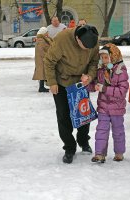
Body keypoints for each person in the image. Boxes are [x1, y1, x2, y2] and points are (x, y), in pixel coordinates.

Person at [44, 25, 99, 164]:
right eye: (84, 46)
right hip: (62, 82)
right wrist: (52, 82)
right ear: (77, 38)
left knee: (83, 114)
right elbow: (49, 61)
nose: (87, 50)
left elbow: (94, 62)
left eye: (89, 48)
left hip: (82, 82)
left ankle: (83, 141)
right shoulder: (62, 39)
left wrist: (90, 76)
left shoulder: (93, 40)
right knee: (64, 115)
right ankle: (69, 147)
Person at [87, 43, 129, 163]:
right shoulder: (101, 70)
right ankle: (100, 154)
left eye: (106, 57)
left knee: (118, 131)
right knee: (101, 130)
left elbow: (122, 91)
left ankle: (119, 153)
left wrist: (104, 89)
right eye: (102, 57)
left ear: (113, 57)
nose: (104, 60)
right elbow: (94, 85)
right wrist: (87, 84)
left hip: (117, 108)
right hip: (103, 107)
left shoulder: (121, 71)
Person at [32, 27, 53, 92]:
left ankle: (43, 86)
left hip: (43, 59)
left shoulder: (43, 39)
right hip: (42, 59)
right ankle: (41, 87)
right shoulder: (41, 40)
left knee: (43, 73)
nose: (47, 33)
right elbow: (41, 51)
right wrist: (47, 57)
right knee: (42, 73)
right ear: (44, 32)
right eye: (46, 32)